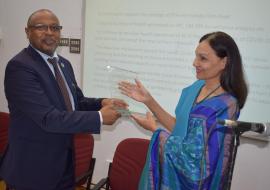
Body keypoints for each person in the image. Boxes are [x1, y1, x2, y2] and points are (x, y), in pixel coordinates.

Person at [0, 9, 127, 190]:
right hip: (31, 170)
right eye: (41, 27)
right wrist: (99, 117)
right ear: (27, 32)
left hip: (64, 164)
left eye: (55, 27)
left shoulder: (63, 64)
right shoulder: (20, 67)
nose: (50, 32)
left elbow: (76, 102)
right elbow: (48, 118)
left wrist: (103, 102)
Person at [119, 31, 248, 190]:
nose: (195, 63)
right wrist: (149, 100)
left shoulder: (226, 105)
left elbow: (197, 164)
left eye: (203, 58)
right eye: (196, 56)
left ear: (224, 62)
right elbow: (178, 127)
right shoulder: (196, 87)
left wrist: (154, 129)